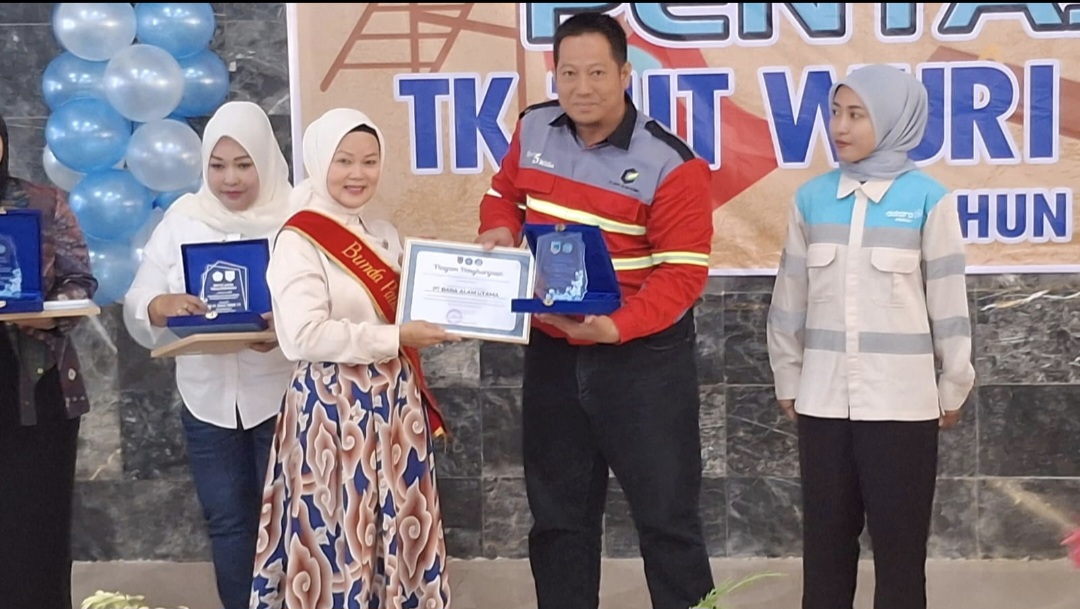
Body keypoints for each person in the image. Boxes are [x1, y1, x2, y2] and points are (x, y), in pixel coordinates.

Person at [476, 12, 715, 609]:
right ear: (554, 73)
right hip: (553, 352)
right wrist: (499, 229)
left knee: (667, 520)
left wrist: (617, 327)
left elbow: (683, 274)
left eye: (598, 73)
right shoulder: (534, 128)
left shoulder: (672, 163)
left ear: (626, 75)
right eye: (569, 73)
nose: (582, 88)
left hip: (643, 361)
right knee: (558, 519)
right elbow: (503, 195)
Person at [766, 64, 975, 609]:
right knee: (825, 552)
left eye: (857, 114)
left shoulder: (929, 199)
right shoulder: (811, 199)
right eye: (836, 112)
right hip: (824, 403)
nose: (841, 126)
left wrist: (953, 384)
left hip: (902, 406)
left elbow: (948, 303)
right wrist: (788, 376)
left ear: (894, 119)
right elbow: (789, 299)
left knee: (900, 557)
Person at [251, 108, 459, 609]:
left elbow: (410, 304)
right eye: (343, 161)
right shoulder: (298, 238)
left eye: (369, 161)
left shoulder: (383, 232)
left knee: (399, 532)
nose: (357, 174)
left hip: (395, 407)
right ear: (318, 161)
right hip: (333, 411)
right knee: (338, 533)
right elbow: (303, 337)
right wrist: (395, 336)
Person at [123, 101, 296, 609]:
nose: (230, 179)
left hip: (281, 395)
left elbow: (323, 300)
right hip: (206, 401)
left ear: (266, 160)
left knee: (290, 520)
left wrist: (284, 327)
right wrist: (161, 305)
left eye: (244, 164)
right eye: (218, 166)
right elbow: (140, 296)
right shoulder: (183, 218)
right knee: (227, 522)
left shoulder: (296, 218)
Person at [0, 113, 99, 609]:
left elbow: (80, 281)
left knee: (37, 525)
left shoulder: (43, 202)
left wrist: (44, 312)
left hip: (37, 389)